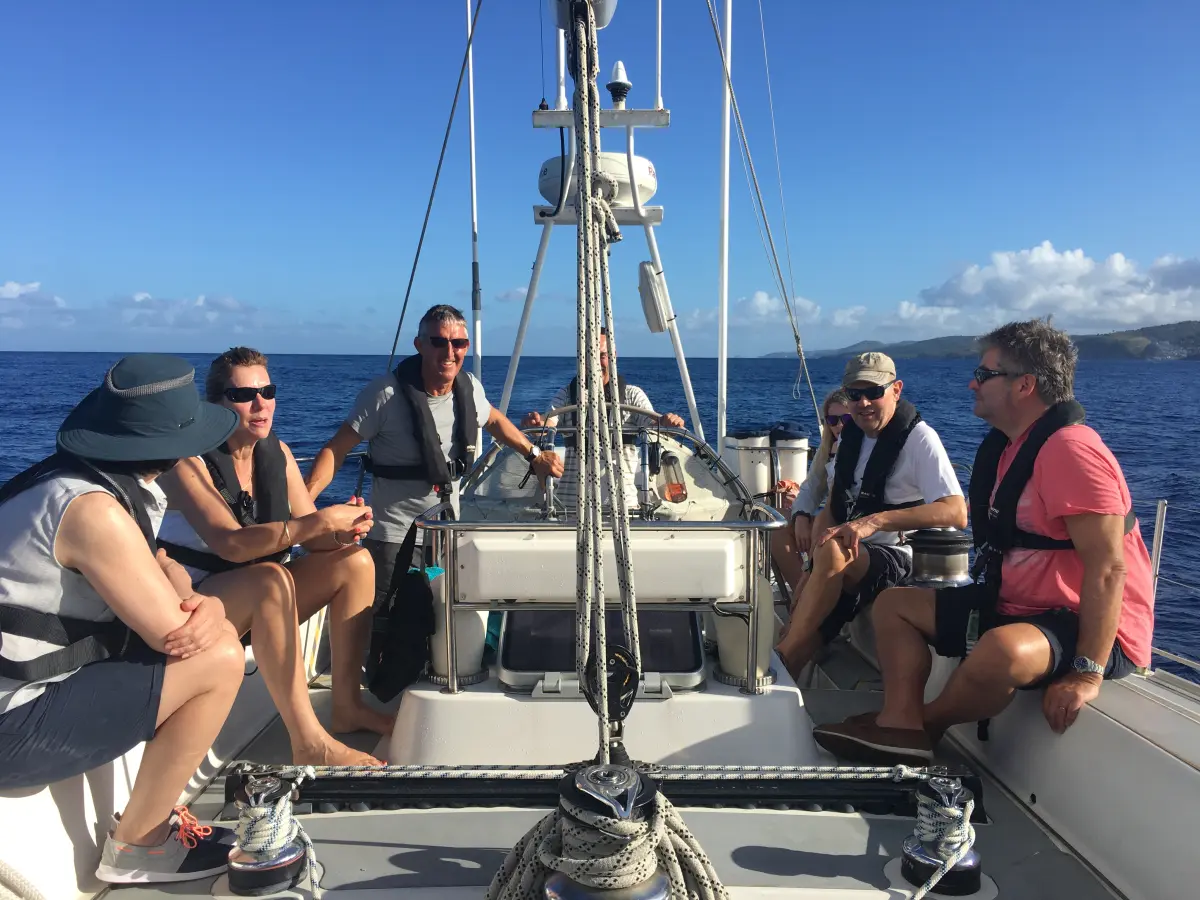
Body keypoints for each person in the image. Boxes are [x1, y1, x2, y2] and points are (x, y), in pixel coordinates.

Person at [813, 320, 1153, 764]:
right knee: (895, 605)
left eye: (985, 374)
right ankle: (899, 725)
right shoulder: (1013, 446)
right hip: (1015, 602)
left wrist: (1087, 673)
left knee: (1003, 649)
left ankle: (928, 725)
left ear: (1024, 385)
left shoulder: (1071, 451)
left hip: (1086, 625)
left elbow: (1110, 569)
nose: (972, 383)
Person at [0, 355, 243, 884]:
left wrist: (198, 598)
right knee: (221, 656)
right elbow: (177, 635)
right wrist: (215, 608)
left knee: (214, 635)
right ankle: (139, 844)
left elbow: (162, 565)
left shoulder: (61, 482)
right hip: (10, 730)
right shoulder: (95, 512)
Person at [157, 347, 389, 766]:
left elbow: (315, 538)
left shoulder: (275, 455)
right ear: (216, 405)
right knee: (271, 579)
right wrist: (319, 524)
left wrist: (342, 531)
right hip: (195, 603)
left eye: (268, 390)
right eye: (244, 395)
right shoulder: (186, 462)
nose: (260, 404)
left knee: (354, 561)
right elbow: (230, 542)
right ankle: (308, 741)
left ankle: (347, 704)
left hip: (263, 595)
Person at [305, 304, 563, 624]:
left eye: (459, 344)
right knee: (386, 624)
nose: (449, 352)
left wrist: (534, 456)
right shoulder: (383, 395)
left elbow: (494, 419)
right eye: (439, 342)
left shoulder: (468, 389)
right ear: (420, 345)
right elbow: (336, 449)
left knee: (434, 616)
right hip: (394, 542)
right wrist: (304, 507)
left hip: (443, 540)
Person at [776, 352, 967, 679]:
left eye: (874, 392)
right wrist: (809, 568)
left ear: (896, 390)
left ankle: (780, 656)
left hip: (899, 555)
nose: (863, 403)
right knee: (807, 636)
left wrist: (874, 521)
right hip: (850, 558)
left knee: (836, 554)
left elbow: (955, 511)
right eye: (854, 394)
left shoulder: (919, 439)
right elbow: (835, 507)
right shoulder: (852, 438)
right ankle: (781, 674)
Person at [770, 388, 851, 598]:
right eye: (833, 420)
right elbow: (811, 488)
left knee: (823, 528)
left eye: (846, 418)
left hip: (856, 525)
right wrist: (801, 517)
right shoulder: (828, 450)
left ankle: (809, 605)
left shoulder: (867, 450)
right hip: (833, 521)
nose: (839, 425)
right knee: (776, 523)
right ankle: (805, 597)